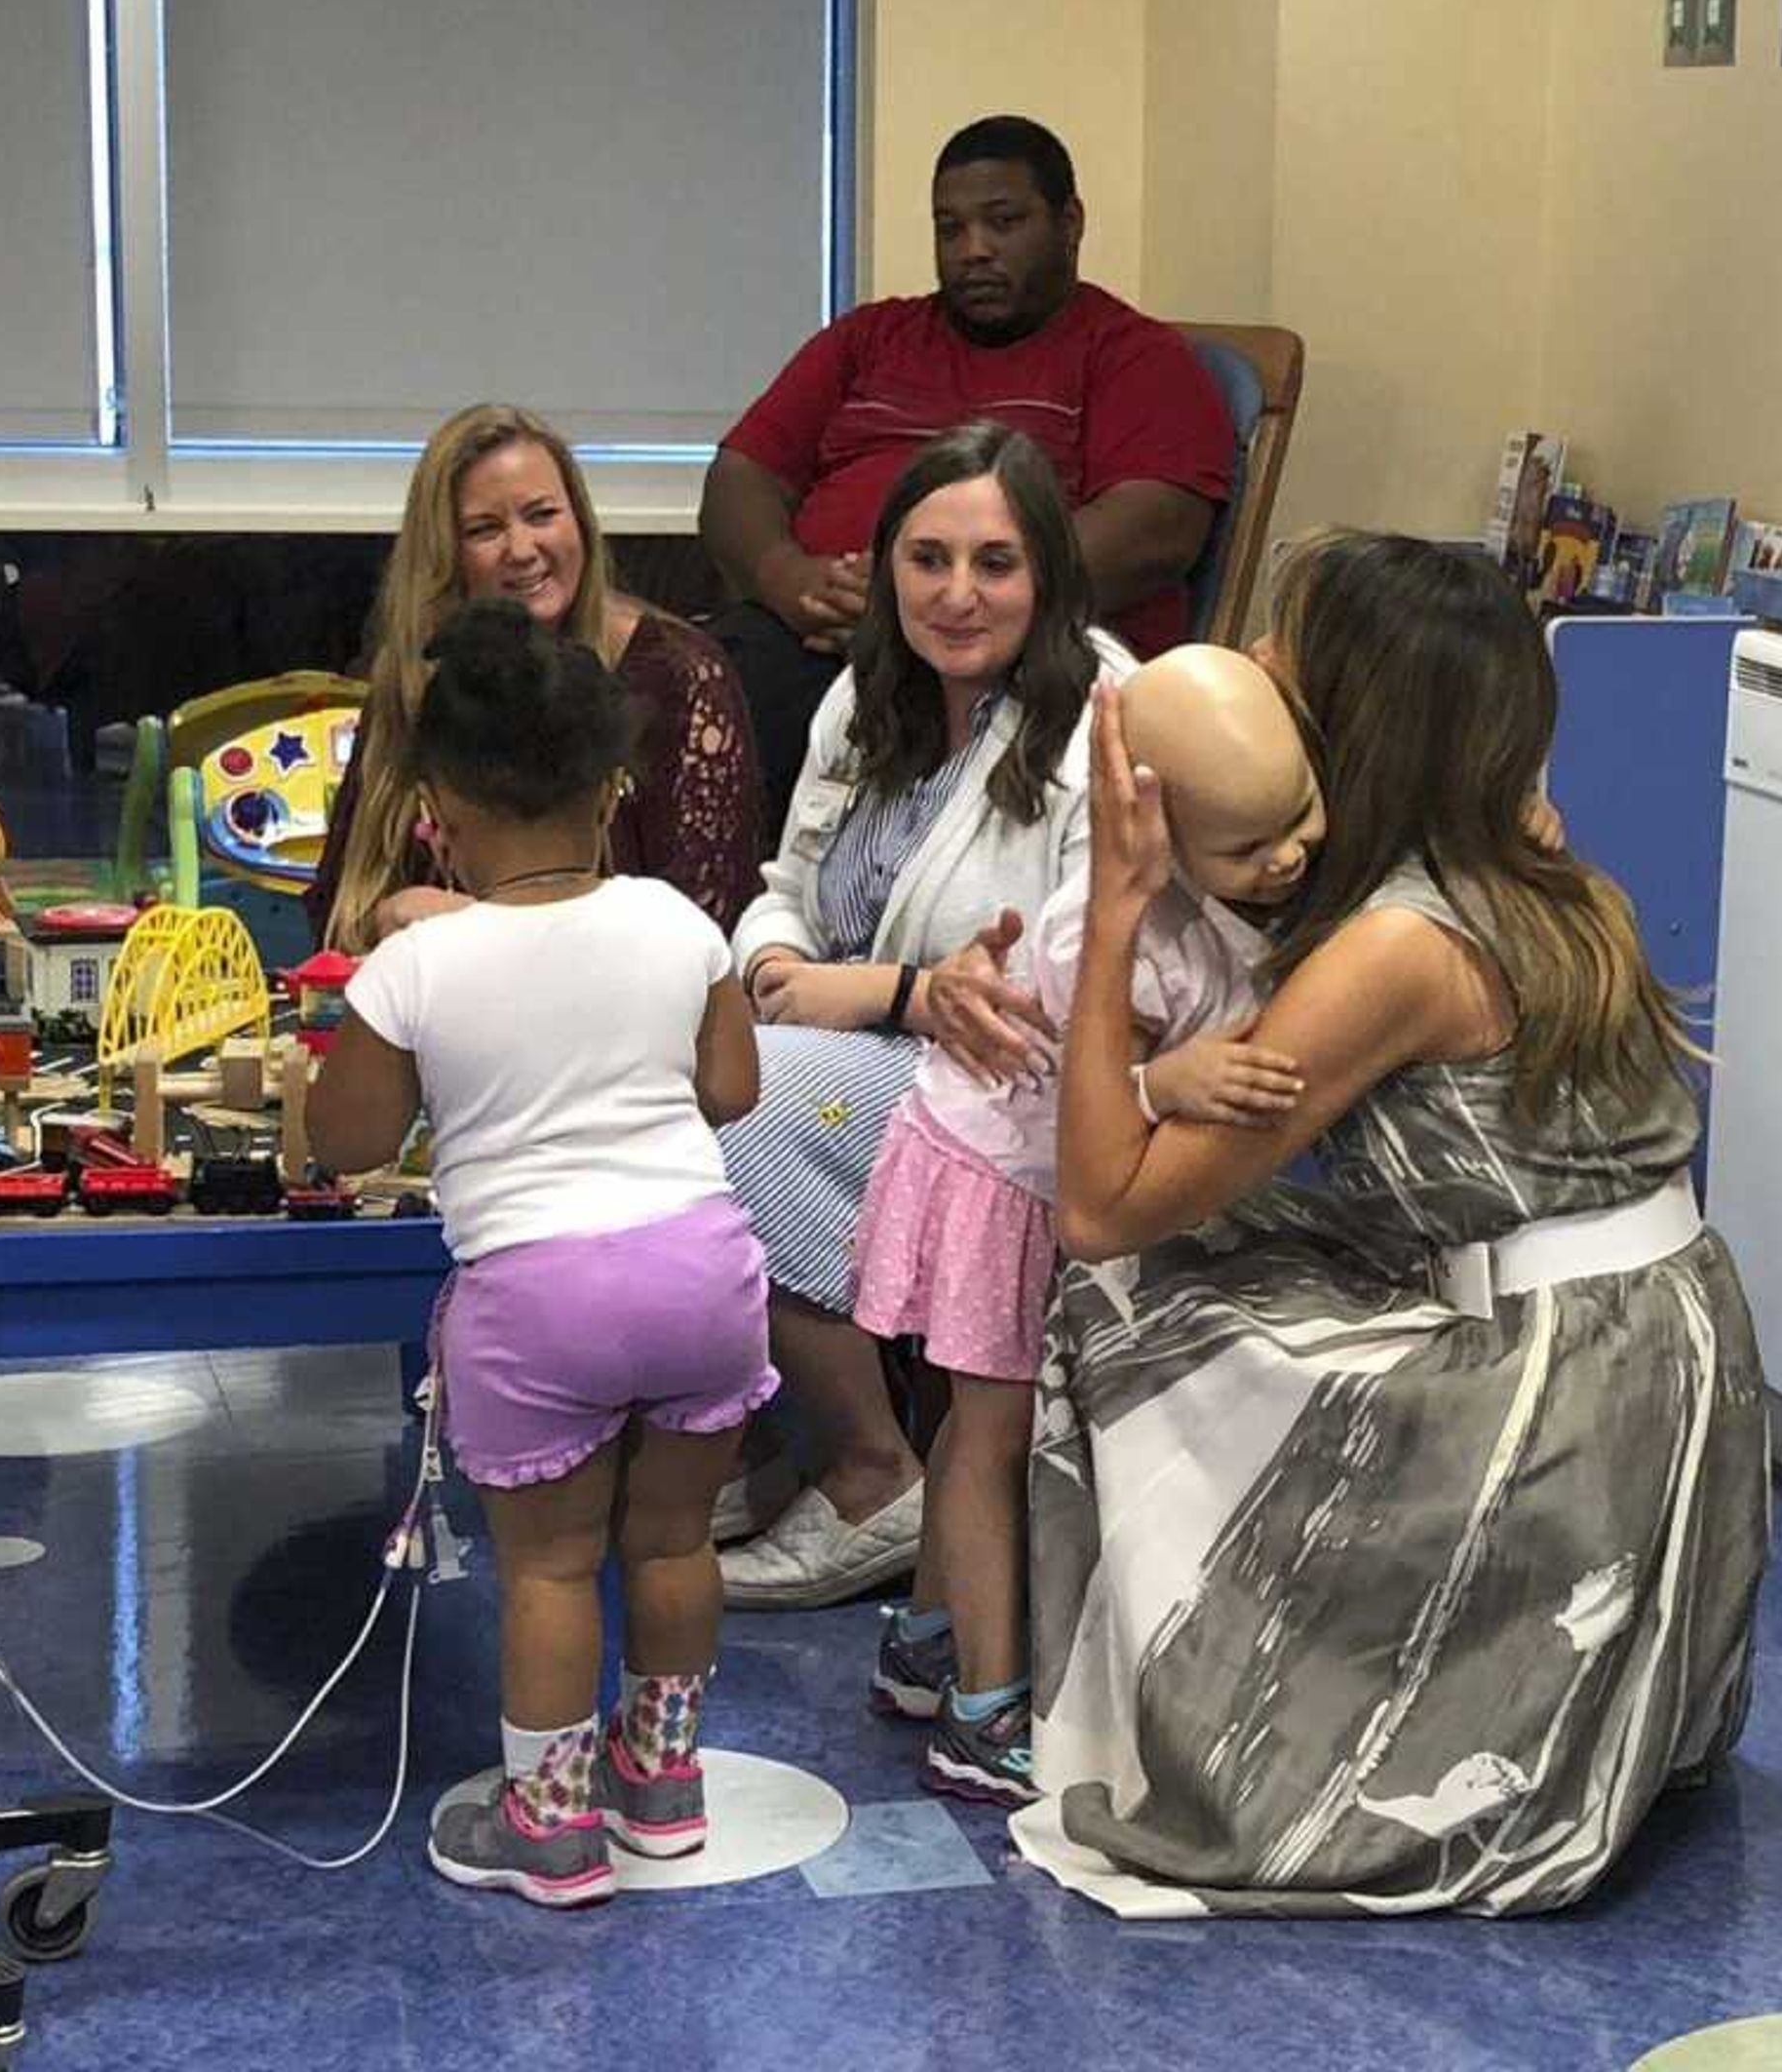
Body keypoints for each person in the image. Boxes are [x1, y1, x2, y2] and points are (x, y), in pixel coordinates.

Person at [1018, 535, 1768, 1917]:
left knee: (1129, 1297)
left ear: (1351, 719)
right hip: (1656, 1342)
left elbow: (1099, 1203)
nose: (1256, 677)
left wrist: (1117, 913)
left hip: (1561, 1390)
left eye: (1285, 664)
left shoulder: (1395, 948)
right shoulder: (1515, 862)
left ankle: (1199, 1721)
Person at [308, 604, 771, 1908]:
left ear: (435, 803)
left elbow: (342, 1140)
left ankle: (553, 1827)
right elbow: (732, 1088)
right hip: (699, 1271)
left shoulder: (419, 961)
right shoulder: (679, 920)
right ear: (611, 784)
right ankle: (665, 1791)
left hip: (539, 1297)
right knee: (673, 1545)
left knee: (554, 1564)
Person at [846, 645, 1315, 1805]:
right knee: (991, 1436)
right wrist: (1168, 1086)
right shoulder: (1112, 935)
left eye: (1301, 818)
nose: (1291, 856)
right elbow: (1087, 1102)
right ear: (1153, 831)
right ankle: (984, 1705)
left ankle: (925, 1639)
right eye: (1251, 848)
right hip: (998, 1180)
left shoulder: (1208, 903)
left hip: (1010, 1163)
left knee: (975, 1416)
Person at [717, 424, 1133, 1614]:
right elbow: (782, 892)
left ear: (1047, 572)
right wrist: (789, 963)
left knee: (738, 1102)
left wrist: (879, 995)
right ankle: (761, 1440)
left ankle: (868, 1475)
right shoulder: (866, 695)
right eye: (927, 558)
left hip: (1016, 1100)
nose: (957, 596)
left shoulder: (1104, 716)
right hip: (852, 1043)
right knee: (698, 1070)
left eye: (995, 563)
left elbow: (1079, 994)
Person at [699, 114, 1233, 812]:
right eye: (949, 229)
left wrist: (913, 604)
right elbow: (740, 476)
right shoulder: (870, 338)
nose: (973, 250)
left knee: (729, 719)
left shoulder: (1133, 354)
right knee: (676, 680)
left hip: (1006, 669)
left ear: (1069, 222)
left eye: (1003, 221)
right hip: (819, 635)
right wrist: (790, 578)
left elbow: (1155, 528)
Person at [309, 406, 758, 952]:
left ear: (581, 523)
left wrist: (487, 931)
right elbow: (336, 913)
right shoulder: (409, 678)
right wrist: (386, 919)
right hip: (429, 1013)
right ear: (444, 555)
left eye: (542, 514)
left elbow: (705, 935)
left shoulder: (682, 676)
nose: (522, 550)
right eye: (484, 529)